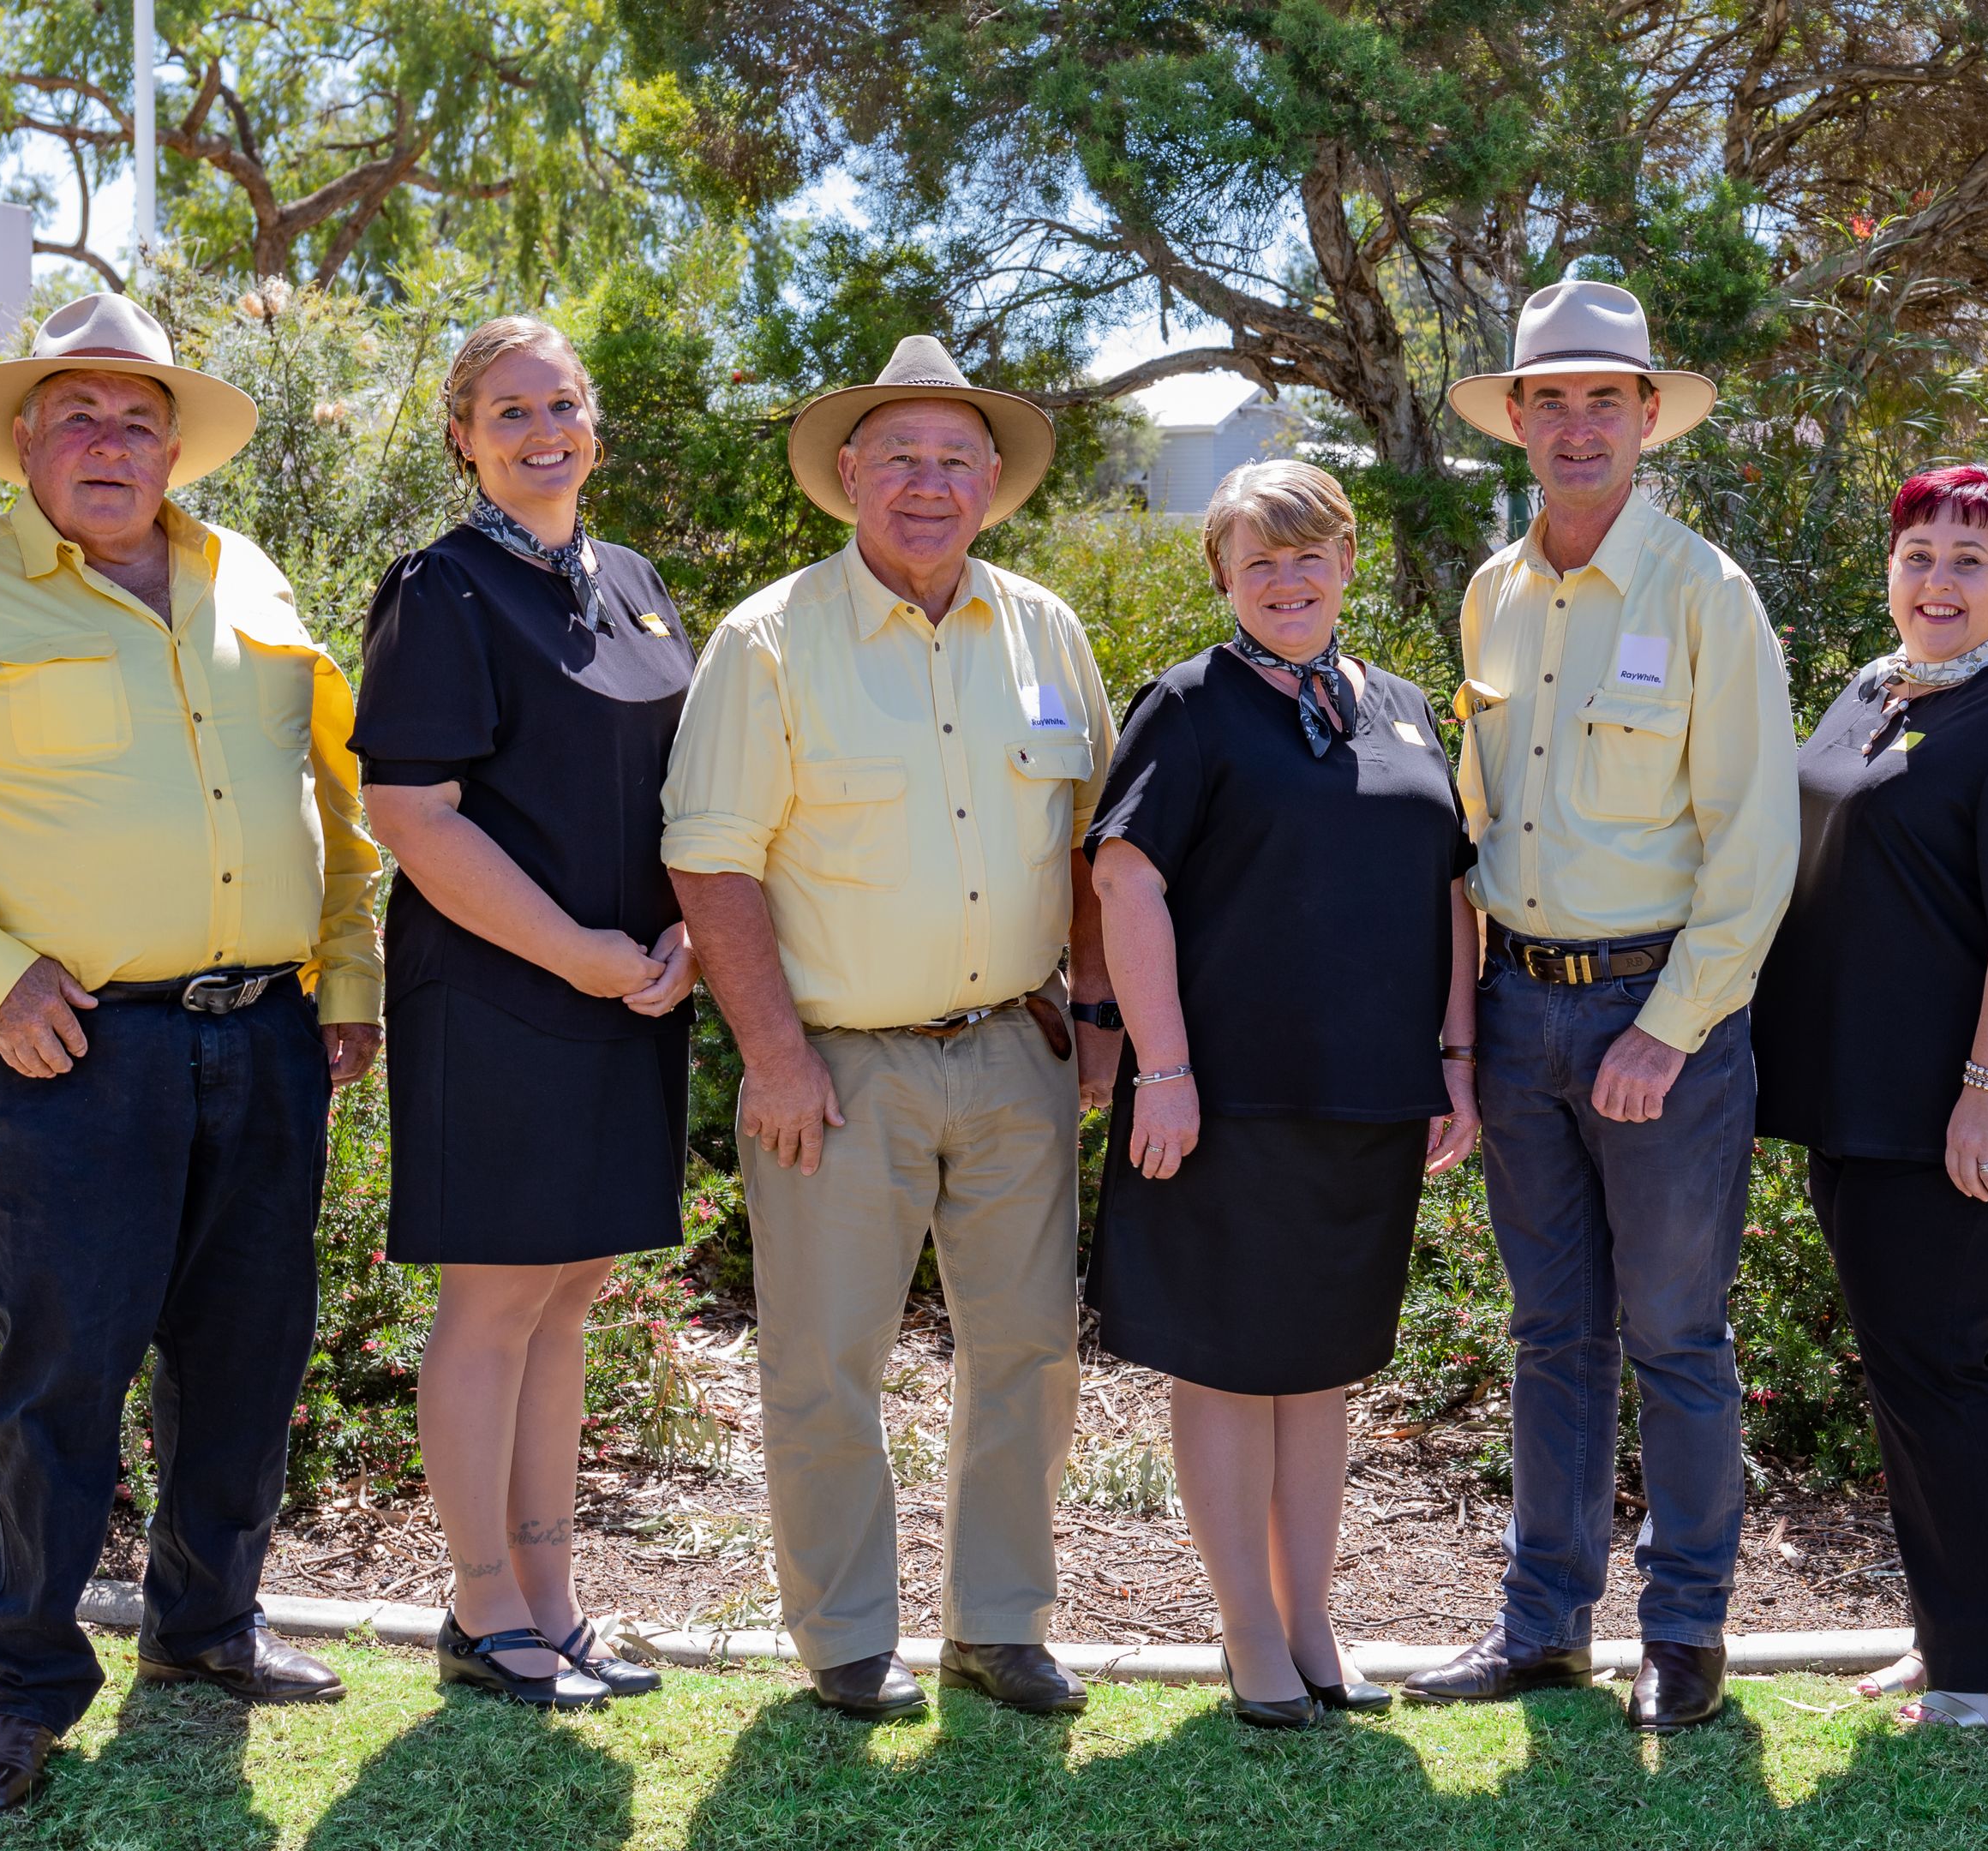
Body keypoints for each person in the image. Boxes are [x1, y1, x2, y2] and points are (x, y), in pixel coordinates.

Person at [0, 293, 383, 1818]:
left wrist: (347, 971)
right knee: (61, 1377)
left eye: (139, 418)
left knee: (246, 1359)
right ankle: (24, 1686)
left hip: (259, 1039)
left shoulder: (245, 578)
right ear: (24, 441)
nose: (111, 442)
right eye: (79, 415)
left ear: (177, 445)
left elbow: (331, 794)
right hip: (65, 1055)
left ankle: (204, 1627)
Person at [662, 335, 1120, 1721]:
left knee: (1030, 1352)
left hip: (1018, 1053)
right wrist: (777, 1057)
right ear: (849, 474)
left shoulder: (1045, 628)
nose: (929, 484)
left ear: (995, 481)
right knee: (823, 1364)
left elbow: (1098, 846)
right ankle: (848, 1637)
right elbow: (711, 859)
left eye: (956, 459)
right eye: (901, 458)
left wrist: (1096, 1019)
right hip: (837, 1068)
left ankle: (1000, 1624)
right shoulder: (768, 640)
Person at [1405, 280, 1799, 1733]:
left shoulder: (1704, 592)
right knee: (1549, 1333)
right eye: (1550, 400)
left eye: (1605, 401)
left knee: (1679, 1339)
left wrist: (1672, 1026)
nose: (1577, 427)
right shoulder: (1493, 595)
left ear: (1649, 419)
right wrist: (1464, 1036)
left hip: (1660, 1019)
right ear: (1516, 421)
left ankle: (1687, 1633)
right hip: (1518, 1015)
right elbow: (1476, 826)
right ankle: (1543, 1627)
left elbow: (1756, 842)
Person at [1087, 460, 1481, 1728]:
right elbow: (1125, 884)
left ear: (1349, 561)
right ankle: (1247, 1634)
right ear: (1223, 577)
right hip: (1225, 1101)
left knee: (1321, 1370)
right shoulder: (1191, 707)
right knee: (1224, 1367)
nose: (1289, 579)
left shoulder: (1408, 709)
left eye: (1309, 554)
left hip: (1370, 1098)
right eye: (1260, 560)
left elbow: (1452, 894)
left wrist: (1455, 1059)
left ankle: (1314, 1626)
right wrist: (1166, 1068)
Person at [353, 317, 697, 1708]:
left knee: (569, 1295)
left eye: (561, 405)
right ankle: (484, 1608)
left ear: (593, 426)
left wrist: (676, 931)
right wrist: (579, 953)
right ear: (463, 437)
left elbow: (678, 774)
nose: (542, 430)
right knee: (496, 1302)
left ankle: (554, 1598)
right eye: (509, 411)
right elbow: (409, 815)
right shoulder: (439, 591)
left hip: (628, 988)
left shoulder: (632, 583)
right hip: (502, 995)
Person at [1751, 465, 1988, 1730]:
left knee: (1941, 1358)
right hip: (1866, 1098)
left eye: (1972, 559)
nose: (1939, 580)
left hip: (1974, 1105)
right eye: (1919, 553)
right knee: (1914, 1364)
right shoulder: (1876, 689)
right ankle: (1966, 1634)